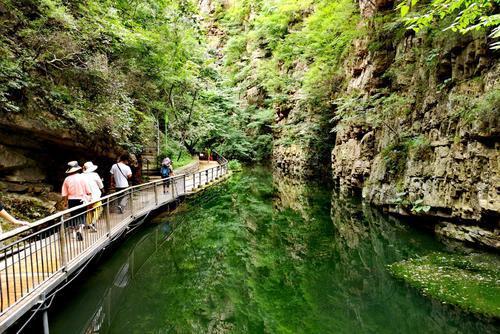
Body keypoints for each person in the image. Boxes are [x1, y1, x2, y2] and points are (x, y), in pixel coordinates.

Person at [61, 161, 91, 241]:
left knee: (74, 216)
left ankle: (74, 233)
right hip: (82, 199)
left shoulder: (67, 179)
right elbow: (88, 190)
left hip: (71, 200)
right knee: (82, 215)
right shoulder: (82, 177)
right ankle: (79, 230)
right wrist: (89, 196)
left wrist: (65, 202)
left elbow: (64, 193)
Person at [83, 161, 104, 232]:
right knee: (99, 208)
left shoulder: (82, 175)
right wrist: (103, 190)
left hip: (87, 197)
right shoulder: (95, 175)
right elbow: (100, 184)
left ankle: (88, 223)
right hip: (95, 195)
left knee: (89, 210)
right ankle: (93, 222)